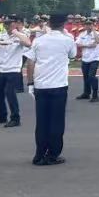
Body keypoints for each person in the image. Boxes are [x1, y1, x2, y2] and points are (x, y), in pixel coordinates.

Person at [28, 14, 77, 165]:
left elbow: (30, 62)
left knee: (42, 121)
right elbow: (73, 55)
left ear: (49, 23)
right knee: (56, 121)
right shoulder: (68, 40)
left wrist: (30, 83)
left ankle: (39, 154)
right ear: (64, 24)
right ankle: (53, 154)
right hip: (58, 85)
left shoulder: (39, 40)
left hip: (41, 85)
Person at [0, 16, 27, 127]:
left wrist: (15, 32)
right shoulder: (1, 35)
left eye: (11, 24)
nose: (8, 26)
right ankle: (1, 116)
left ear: (15, 24)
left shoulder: (20, 36)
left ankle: (15, 118)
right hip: (1, 69)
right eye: (6, 24)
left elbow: (27, 43)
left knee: (10, 93)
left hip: (13, 69)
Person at [75, 19, 99, 101]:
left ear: (93, 25)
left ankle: (95, 95)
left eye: (90, 24)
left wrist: (94, 31)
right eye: (87, 24)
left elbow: (98, 41)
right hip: (85, 58)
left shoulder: (98, 33)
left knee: (91, 76)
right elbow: (77, 44)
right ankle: (86, 93)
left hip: (94, 59)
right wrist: (88, 45)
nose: (88, 26)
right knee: (86, 77)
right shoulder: (82, 34)